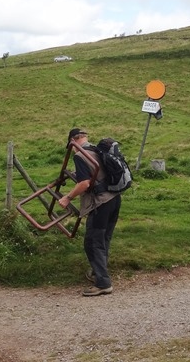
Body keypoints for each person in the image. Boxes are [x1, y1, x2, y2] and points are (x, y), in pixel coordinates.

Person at [59, 127, 122, 296]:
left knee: (93, 242)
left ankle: (103, 283)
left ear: (73, 141)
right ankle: (98, 272)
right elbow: (97, 173)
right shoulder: (97, 150)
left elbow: (85, 183)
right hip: (115, 199)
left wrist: (67, 198)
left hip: (100, 203)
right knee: (104, 238)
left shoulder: (80, 155)